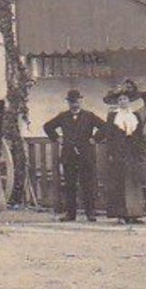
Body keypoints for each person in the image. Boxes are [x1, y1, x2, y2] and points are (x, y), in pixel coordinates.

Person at [42, 89, 102, 222]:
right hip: (68, 154)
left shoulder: (89, 116)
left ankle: (90, 213)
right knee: (70, 185)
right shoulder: (63, 116)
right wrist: (57, 138)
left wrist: (94, 139)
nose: (74, 104)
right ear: (68, 103)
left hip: (86, 154)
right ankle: (71, 214)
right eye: (71, 102)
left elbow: (104, 127)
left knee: (88, 184)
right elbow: (47, 126)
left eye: (77, 101)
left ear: (81, 101)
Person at [99, 86, 146, 224]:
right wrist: (111, 153)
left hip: (133, 153)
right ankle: (120, 214)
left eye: (125, 99)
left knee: (134, 183)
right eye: (120, 99)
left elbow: (140, 136)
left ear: (129, 101)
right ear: (117, 102)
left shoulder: (135, 116)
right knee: (119, 184)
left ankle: (134, 214)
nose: (123, 101)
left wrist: (141, 152)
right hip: (118, 154)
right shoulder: (113, 116)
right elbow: (109, 136)